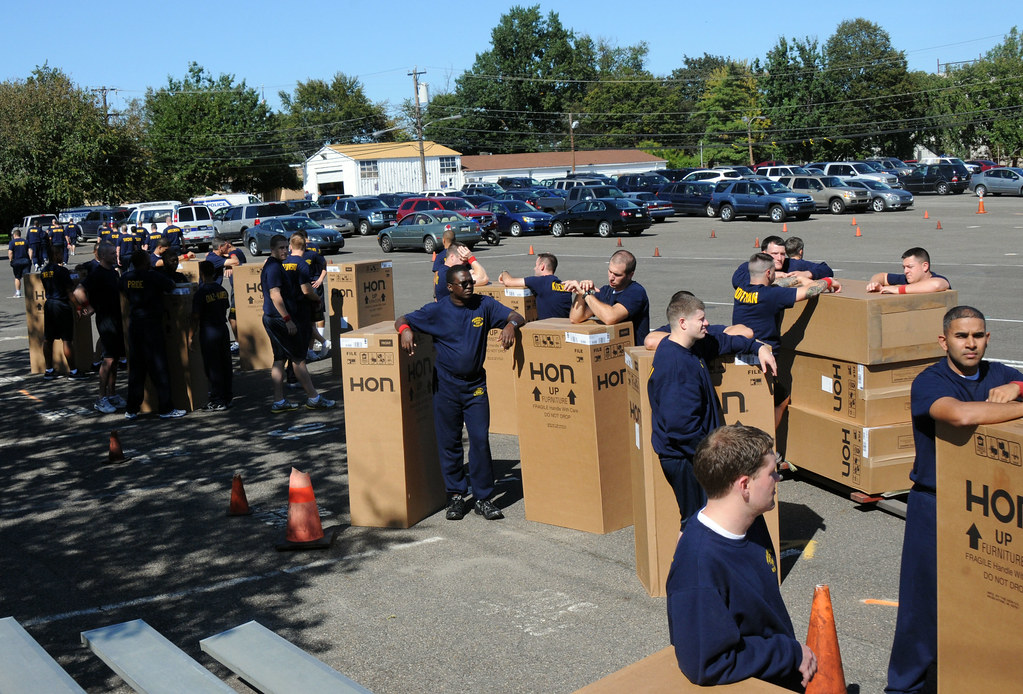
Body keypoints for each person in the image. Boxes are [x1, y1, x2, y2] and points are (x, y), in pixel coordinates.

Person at [886, 306, 1023, 694]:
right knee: (921, 607)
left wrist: (1018, 388)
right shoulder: (930, 380)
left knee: (985, 601)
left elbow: (1016, 385)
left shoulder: (1002, 374)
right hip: (935, 503)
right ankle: (903, 688)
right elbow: (960, 415)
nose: (971, 344)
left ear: (988, 339)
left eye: (978, 335)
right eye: (962, 336)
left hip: (984, 507)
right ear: (944, 341)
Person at [667, 424, 816, 690]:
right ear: (744, 485)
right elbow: (705, 663)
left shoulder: (751, 523)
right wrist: (789, 653)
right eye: (772, 474)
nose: (778, 481)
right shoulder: (699, 566)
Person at [396, 264, 525, 521]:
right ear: (450, 287)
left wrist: (510, 325)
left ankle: (483, 497)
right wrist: (405, 331)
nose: (469, 285)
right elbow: (403, 319)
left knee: (479, 439)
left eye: (470, 281)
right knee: (450, 442)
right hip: (445, 386)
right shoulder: (437, 310)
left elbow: (517, 316)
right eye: (463, 283)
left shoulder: (484, 305)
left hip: (475, 386)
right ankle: (455, 495)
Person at [649, 291, 776, 526]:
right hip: (684, 458)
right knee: (694, 521)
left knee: (703, 519)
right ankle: (686, 562)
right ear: (683, 323)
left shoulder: (693, 346)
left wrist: (757, 347)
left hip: (695, 452)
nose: (706, 323)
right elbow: (681, 429)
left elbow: (725, 341)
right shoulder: (675, 367)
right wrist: (717, 458)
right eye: (701, 319)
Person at [260, 234, 334, 413]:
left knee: (279, 359)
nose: (285, 250)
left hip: (272, 317)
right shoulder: (274, 268)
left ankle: (279, 401)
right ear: (272, 250)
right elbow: (274, 295)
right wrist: (287, 319)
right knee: (298, 359)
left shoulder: (274, 265)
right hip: (279, 320)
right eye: (280, 248)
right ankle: (313, 398)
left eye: (286, 247)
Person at [119, 250, 185, 419]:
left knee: (137, 369)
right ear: (144, 262)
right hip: (151, 326)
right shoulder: (152, 276)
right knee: (159, 367)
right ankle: (166, 408)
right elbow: (170, 286)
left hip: (135, 326)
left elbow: (123, 291)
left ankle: (132, 409)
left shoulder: (126, 277)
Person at [74, 243, 125, 413]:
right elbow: (78, 291)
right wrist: (87, 306)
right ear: (102, 256)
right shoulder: (97, 274)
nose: (114, 256)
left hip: (117, 320)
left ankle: (112, 394)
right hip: (106, 321)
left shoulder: (113, 272)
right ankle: (100, 398)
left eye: (114, 253)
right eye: (111, 253)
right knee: (108, 359)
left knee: (115, 360)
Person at [564, 249, 649, 346]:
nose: (611, 277)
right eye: (610, 271)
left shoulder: (636, 292)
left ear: (630, 275)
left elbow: (610, 318)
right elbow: (575, 319)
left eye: (617, 275)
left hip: (632, 353)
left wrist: (586, 294)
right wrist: (581, 293)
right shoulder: (605, 291)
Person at [189, 261, 233, 411]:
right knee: (225, 363)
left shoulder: (201, 293)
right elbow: (225, 307)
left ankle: (217, 399)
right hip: (222, 329)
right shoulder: (221, 289)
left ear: (201, 273)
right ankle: (227, 396)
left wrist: (190, 336)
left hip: (209, 331)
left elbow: (195, 316)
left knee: (212, 366)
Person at [39, 238, 85, 381]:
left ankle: (49, 370)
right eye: (60, 253)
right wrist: (78, 306)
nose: (61, 255)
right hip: (61, 305)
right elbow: (70, 292)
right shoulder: (62, 271)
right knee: (67, 339)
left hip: (49, 305)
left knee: (48, 339)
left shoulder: (44, 271)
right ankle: (73, 371)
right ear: (56, 255)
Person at [731, 236, 833, 288]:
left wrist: (808, 273)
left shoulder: (792, 264)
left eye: (782, 254)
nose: (779, 258)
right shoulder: (752, 266)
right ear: (764, 253)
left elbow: (826, 270)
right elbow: (737, 280)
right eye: (775, 254)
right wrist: (772, 275)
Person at [498, 252, 573, 319]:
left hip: (546, 328)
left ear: (542, 266)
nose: (534, 268)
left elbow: (508, 281)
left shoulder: (540, 281)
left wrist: (504, 272)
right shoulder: (564, 287)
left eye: (536, 265)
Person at [867, 247, 951, 295]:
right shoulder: (906, 280)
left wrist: (898, 290)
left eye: (910, 267)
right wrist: (874, 283)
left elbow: (936, 285)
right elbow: (882, 276)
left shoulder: (938, 279)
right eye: (904, 267)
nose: (906, 271)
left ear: (925, 266)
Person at [8, 229, 31, 298]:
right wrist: (30, 259)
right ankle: (29, 292)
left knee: (17, 277)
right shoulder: (25, 241)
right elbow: (30, 250)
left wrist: (11, 260)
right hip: (26, 261)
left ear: (14, 235)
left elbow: (10, 252)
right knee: (26, 277)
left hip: (17, 261)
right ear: (20, 235)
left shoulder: (12, 242)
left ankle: (18, 292)